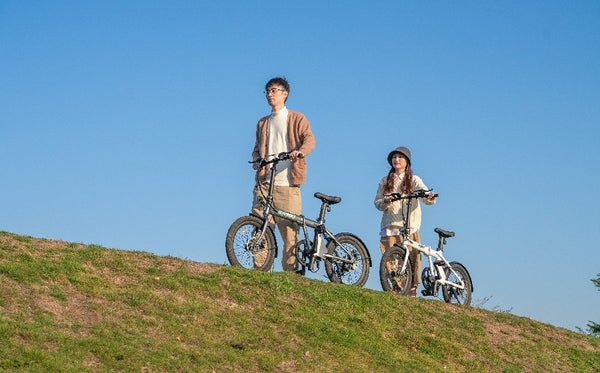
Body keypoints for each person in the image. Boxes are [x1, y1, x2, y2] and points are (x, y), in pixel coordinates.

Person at [251, 77, 316, 272]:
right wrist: (256, 160)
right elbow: (256, 149)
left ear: (285, 93)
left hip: (288, 184)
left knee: (290, 234)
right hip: (265, 183)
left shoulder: (297, 118)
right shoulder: (263, 123)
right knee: (259, 226)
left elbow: (310, 140)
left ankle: (291, 277)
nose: (270, 94)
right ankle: (260, 272)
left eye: (274, 90)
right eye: (267, 91)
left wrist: (301, 151)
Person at [374, 146, 437, 297]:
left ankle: (412, 290)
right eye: (394, 157)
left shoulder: (414, 180)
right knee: (393, 261)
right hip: (390, 226)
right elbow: (377, 203)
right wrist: (386, 201)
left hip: (410, 227)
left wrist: (429, 196)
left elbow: (423, 192)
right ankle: (397, 289)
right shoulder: (384, 181)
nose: (397, 160)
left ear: (407, 162)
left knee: (413, 258)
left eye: (400, 157)